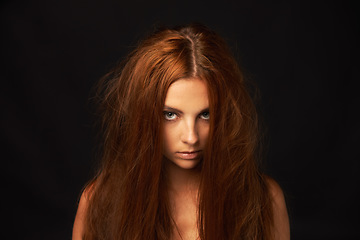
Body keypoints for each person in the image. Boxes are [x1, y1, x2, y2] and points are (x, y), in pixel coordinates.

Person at [72, 23, 290, 240]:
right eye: (170, 115)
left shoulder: (264, 200)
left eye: (206, 115)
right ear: (143, 115)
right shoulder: (99, 203)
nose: (191, 137)